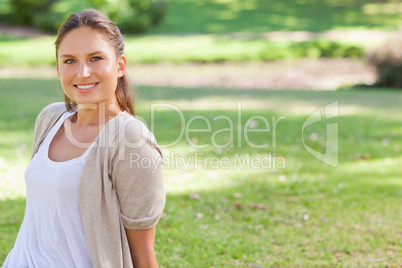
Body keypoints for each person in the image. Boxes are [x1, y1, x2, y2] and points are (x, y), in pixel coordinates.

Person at [2, 9, 165, 268]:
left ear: (120, 66)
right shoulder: (50, 119)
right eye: (69, 61)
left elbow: (143, 253)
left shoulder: (130, 140)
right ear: (58, 68)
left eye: (96, 58)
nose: (83, 72)